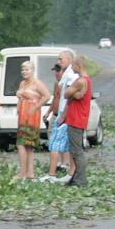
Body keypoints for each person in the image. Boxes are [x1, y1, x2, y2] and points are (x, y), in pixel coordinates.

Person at [43, 50, 76, 182]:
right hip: (61, 114)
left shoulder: (71, 76)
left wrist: (63, 116)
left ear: (69, 60)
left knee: (55, 144)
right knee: (61, 144)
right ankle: (69, 173)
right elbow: (58, 98)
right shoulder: (64, 77)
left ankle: (54, 174)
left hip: (64, 116)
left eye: (60, 59)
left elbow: (69, 99)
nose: (58, 62)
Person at [61, 55, 93, 187]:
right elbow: (76, 94)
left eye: (73, 65)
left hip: (76, 119)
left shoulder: (81, 81)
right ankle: (76, 178)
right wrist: (75, 94)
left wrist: (72, 92)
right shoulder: (87, 80)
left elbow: (66, 93)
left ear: (78, 66)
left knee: (76, 151)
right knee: (74, 150)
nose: (71, 67)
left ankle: (80, 180)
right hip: (78, 118)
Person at [15, 60, 48, 180]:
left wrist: (36, 106)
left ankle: (22, 173)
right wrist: (18, 107)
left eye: (27, 69)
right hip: (23, 113)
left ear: (32, 70)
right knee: (27, 145)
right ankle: (30, 173)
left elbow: (47, 96)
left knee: (22, 144)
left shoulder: (37, 83)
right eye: (22, 69)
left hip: (32, 114)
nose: (24, 72)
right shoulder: (22, 84)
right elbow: (20, 98)